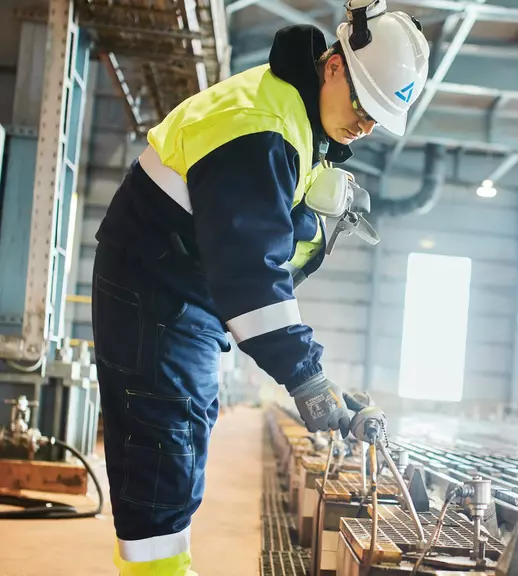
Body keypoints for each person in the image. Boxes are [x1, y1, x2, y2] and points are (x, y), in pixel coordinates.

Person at [89, 0, 429, 573]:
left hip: (179, 290)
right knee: (163, 450)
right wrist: (307, 376)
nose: (366, 126)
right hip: (155, 290)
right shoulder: (264, 130)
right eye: (364, 105)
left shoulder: (293, 120)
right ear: (334, 66)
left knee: (181, 437)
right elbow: (252, 278)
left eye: (377, 119)